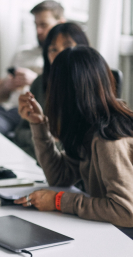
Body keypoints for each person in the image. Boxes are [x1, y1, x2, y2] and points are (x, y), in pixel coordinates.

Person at [15, 46, 133, 229]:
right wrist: (38, 124)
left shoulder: (108, 137)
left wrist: (60, 201)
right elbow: (60, 176)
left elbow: (126, 211)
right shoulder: (87, 126)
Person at [0, 0, 66, 135]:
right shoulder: (23, 53)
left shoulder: (65, 57)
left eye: (44, 25)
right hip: (10, 111)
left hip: (40, 115)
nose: (38, 31)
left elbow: (66, 98)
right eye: (36, 25)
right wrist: (7, 86)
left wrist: (36, 81)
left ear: (61, 23)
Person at [13, 23, 90, 157]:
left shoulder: (90, 88)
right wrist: (43, 137)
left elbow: (79, 149)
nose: (61, 54)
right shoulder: (40, 82)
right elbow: (20, 132)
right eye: (53, 49)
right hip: (36, 158)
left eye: (68, 47)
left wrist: (43, 140)